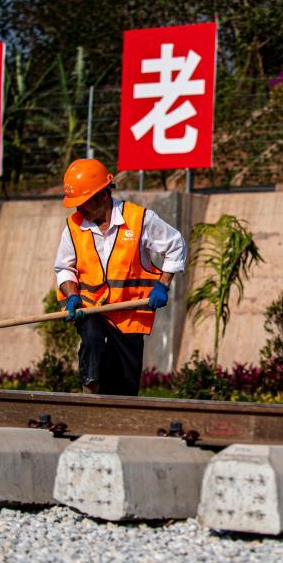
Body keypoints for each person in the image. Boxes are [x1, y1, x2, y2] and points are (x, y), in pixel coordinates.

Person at [54, 158, 187, 396]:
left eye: (83, 203)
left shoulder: (139, 220)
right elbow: (64, 268)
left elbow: (175, 245)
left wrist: (163, 285)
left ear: (104, 196)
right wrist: (72, 296)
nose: (78, 210)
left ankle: (118, 409)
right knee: (92, 340)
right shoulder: (73, 227)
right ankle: (88, 397)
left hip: (129, 314)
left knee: (125, 385)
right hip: (90, 308)